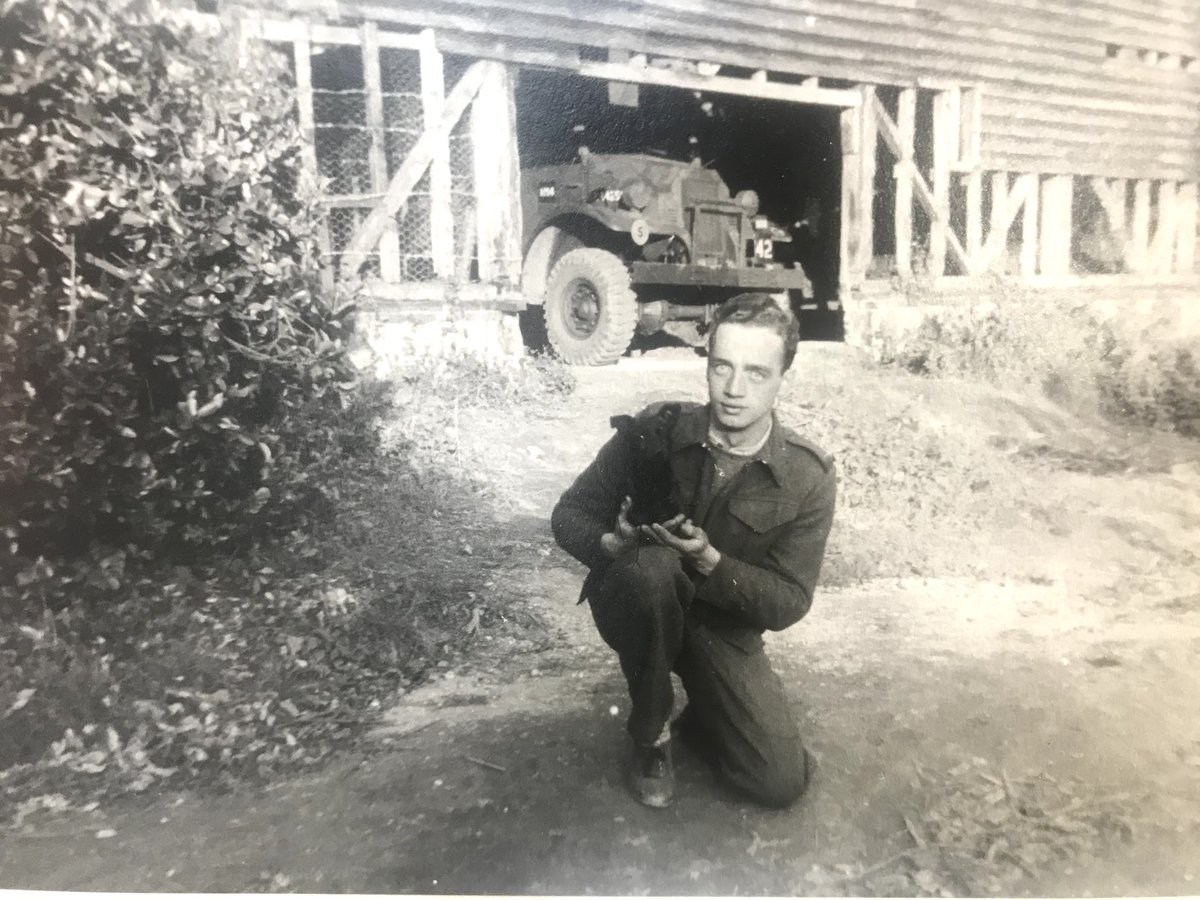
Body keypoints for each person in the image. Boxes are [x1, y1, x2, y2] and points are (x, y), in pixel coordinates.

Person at [551, 292, 837, 809]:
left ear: (783, 377)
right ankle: (650, 736)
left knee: (777, 782)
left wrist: (710, 561)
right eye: (721, 366)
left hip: (720, 630)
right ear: (706, 363)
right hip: (641, 603)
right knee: (652, 570)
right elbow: (568, 516)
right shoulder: (652, 432)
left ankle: (709, 713)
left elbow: (788, 601)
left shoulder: (805, 475)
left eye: (755, 373)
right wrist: (612, 545)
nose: (733, 390)